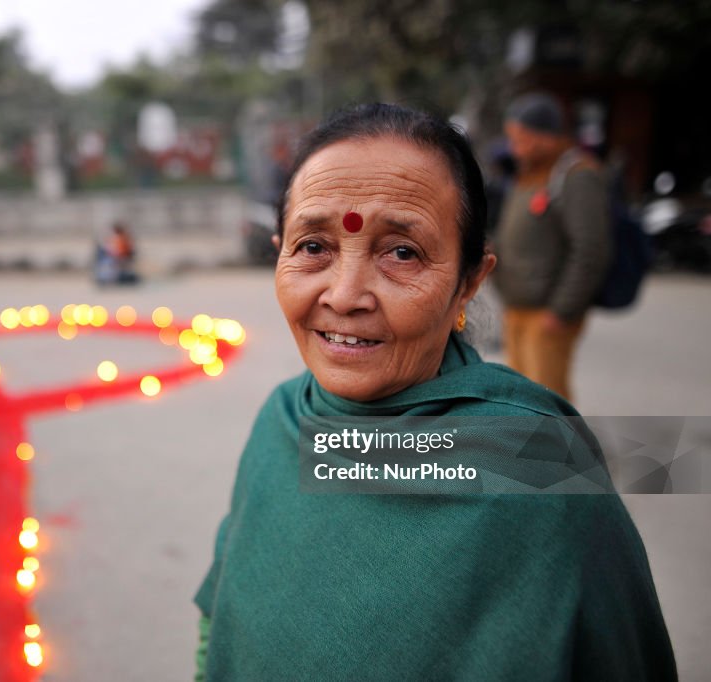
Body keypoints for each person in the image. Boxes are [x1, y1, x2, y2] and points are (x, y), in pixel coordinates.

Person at [193, 104, 675, 680]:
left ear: (470, 282)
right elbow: (218, 628)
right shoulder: (281, 424)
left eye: (402, 252)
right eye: (314, 247)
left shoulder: (541, 469)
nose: (345, 296)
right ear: (280, 252)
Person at [492, 92, 612, 402]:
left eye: (521, 138)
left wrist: (562, 311)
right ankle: (530, 451)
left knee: (546, 402)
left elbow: (590, 249)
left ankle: (560, 451)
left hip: (547, 314)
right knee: (520, 400)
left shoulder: (576, 175)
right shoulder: (527, 172)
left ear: (546, 138)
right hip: (517, 308)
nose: (514, 147)